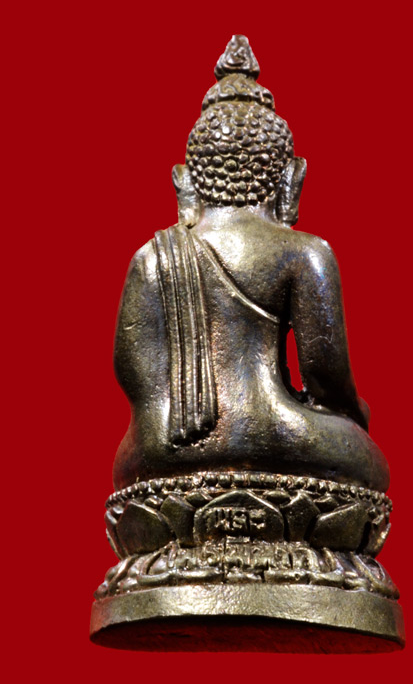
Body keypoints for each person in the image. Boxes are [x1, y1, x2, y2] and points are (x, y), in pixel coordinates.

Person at [112, 36, 389, 494]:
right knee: (365, 457)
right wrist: (354, 411)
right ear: (290, 180)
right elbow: (326, 376)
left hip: (157, 455)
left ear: (186, 182)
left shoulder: (150, 258)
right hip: (275, 435)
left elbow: (133, 372)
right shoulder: (304, 252)